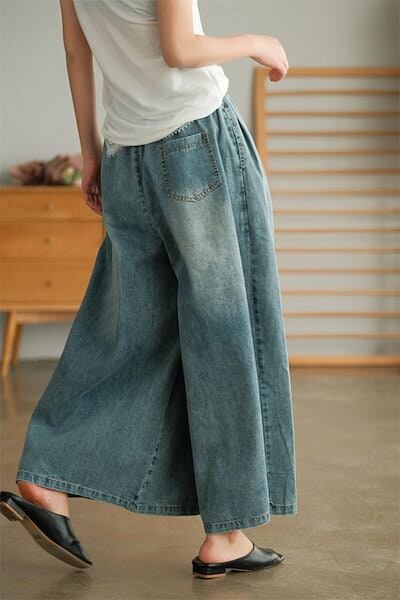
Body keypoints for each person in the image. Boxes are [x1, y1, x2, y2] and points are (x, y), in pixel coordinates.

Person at [1, 0, 297, 579]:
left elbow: (76, 50)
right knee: (228, 332)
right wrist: (257, 43)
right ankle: (226, 534)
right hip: (197, 142)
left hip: (126, 153)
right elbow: (181, 50)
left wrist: (91, 154)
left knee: (133, 329)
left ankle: (47, 475)